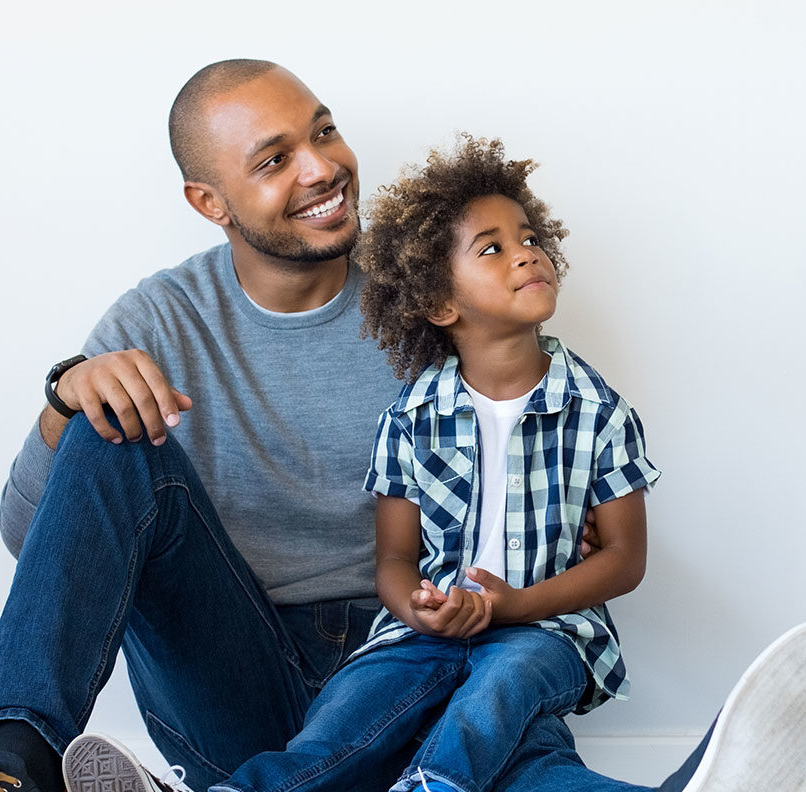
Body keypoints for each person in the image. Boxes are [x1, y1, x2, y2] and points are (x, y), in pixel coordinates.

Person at [0, 60, 806, 792]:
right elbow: (37, 538)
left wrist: (562, 511)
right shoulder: (158, 322)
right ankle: (14, 769)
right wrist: (66, 398)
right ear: (209, 201)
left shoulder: (429, 308)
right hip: (242, 683)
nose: (321, 168)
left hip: (429, 644)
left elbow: (541, 461)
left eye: (324, 131)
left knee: (497, 735)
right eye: (273, 160)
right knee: (107, 428)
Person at [195, 133, 657, 792]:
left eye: (529, 238)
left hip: (548, 632)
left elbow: (624, 560)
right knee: (346, 717)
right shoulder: (411, 418)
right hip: (422, 635)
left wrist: (516, 605)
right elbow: (393, 561)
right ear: (442, 304)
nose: (526, 253)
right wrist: (419, 609)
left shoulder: (599, 411)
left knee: (498, 691)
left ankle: (430, 785)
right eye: (492, 248)